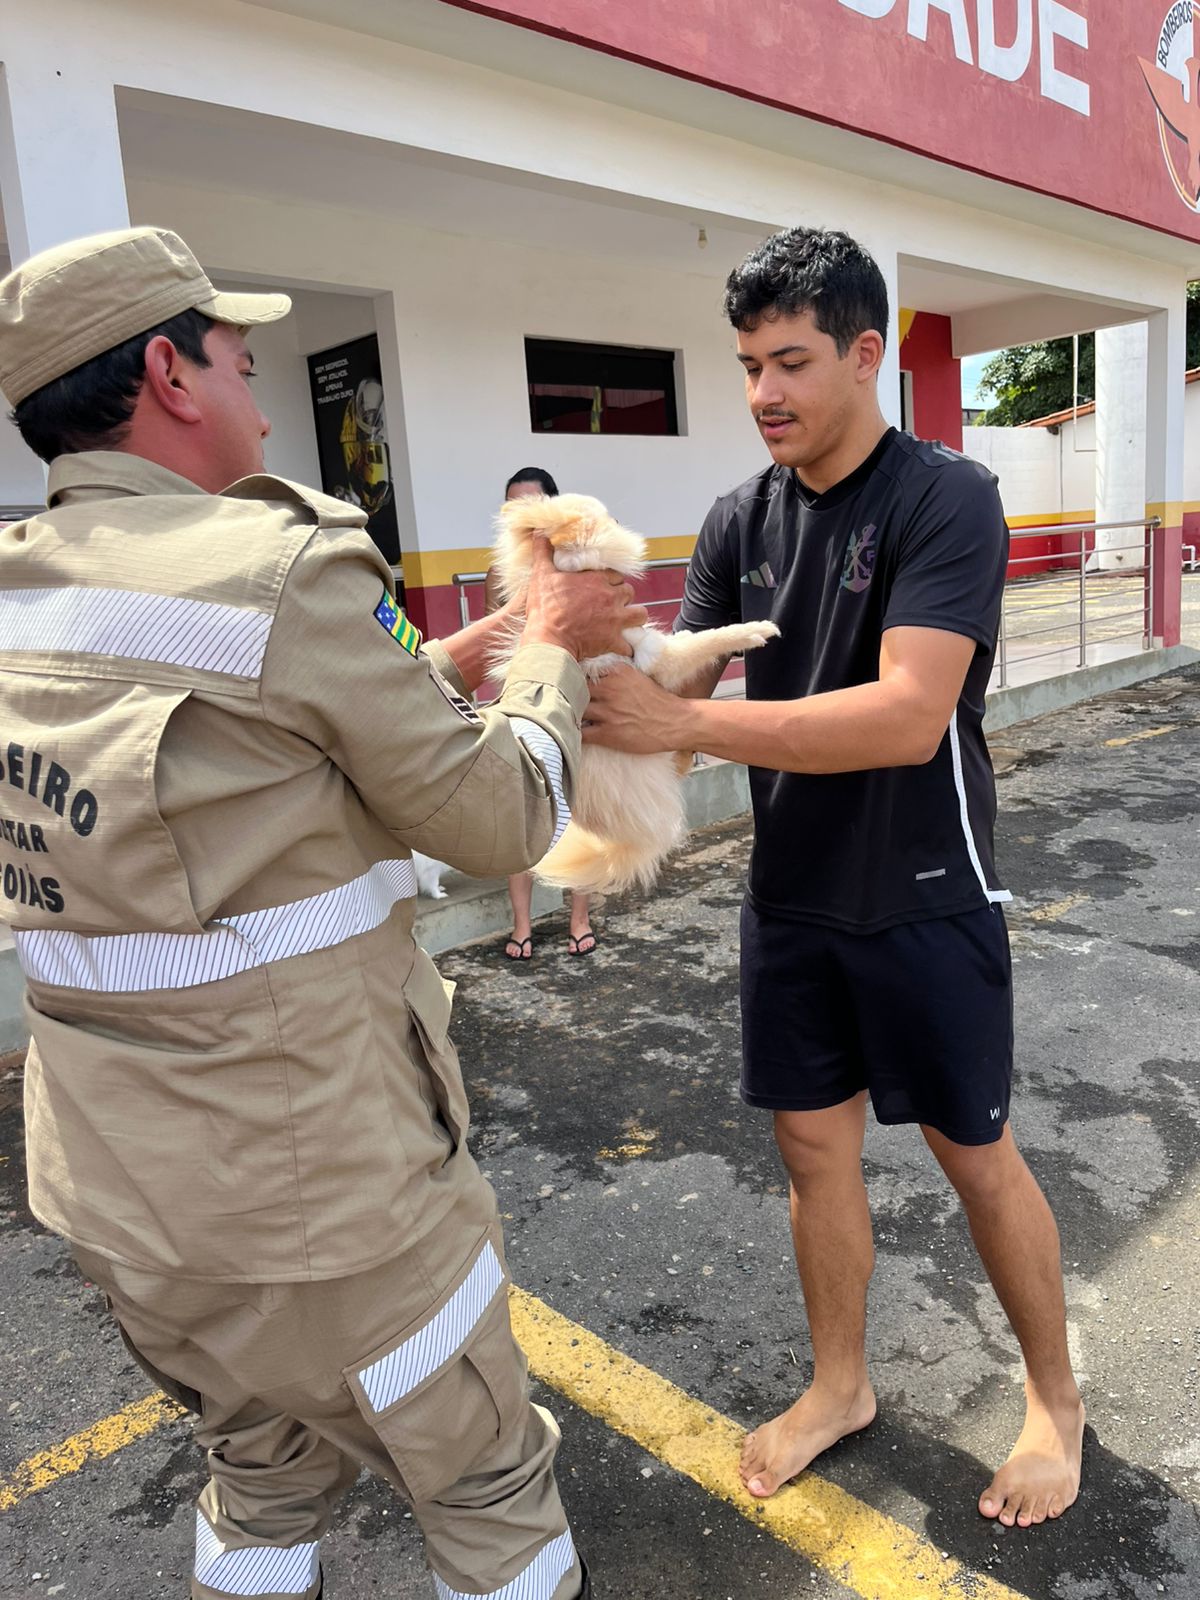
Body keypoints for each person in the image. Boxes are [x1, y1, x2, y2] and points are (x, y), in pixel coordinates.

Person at [0, 226, 645, 1600]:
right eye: (238, 359)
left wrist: (427, 671)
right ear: (168, 373)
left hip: (120, 1202)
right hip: (330, 1207)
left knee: (259, 1476)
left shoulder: (24, 587)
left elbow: (244, 758)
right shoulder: (279, 568)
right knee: (487, 1495)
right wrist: (553, 650)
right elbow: (504, 816)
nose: (258, 387)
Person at [584, 226, 1085, 1532]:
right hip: (793, 894)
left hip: (925, 887)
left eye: (791, 362)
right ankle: (840, 1385)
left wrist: (683, 722)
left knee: (975, 1154)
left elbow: (910, 716)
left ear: (867, 354)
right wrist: (580, 668)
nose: (764, 391)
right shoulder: (738, 518)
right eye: (749, 364)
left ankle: (1055, 1403)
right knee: (814, 1154)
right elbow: (677, 689)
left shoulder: (946, 497)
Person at [487, 468, 598, 959]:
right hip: (520, 703)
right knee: (522, 813)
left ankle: (579, 918)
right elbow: (498, 636)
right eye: (512, 506)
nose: (522, 515)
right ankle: (522, 925)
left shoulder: (580, 562)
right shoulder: (500, 570)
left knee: (579, 811)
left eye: (531, 504)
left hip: (573, 699)